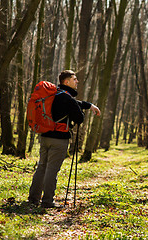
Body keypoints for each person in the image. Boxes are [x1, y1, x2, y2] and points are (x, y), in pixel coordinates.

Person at [28, 70, 100, 208]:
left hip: (44, 136)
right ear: (66, 82)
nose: (77, 81)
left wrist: (89, 105)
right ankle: (48, 201)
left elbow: (76, 103)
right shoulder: (67, 99)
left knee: (41, 167)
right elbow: (79, 118)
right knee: (52, 169)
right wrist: (81, 110)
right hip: (59, 140)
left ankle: (33, 199)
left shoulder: (53, 94)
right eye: (74, 79)